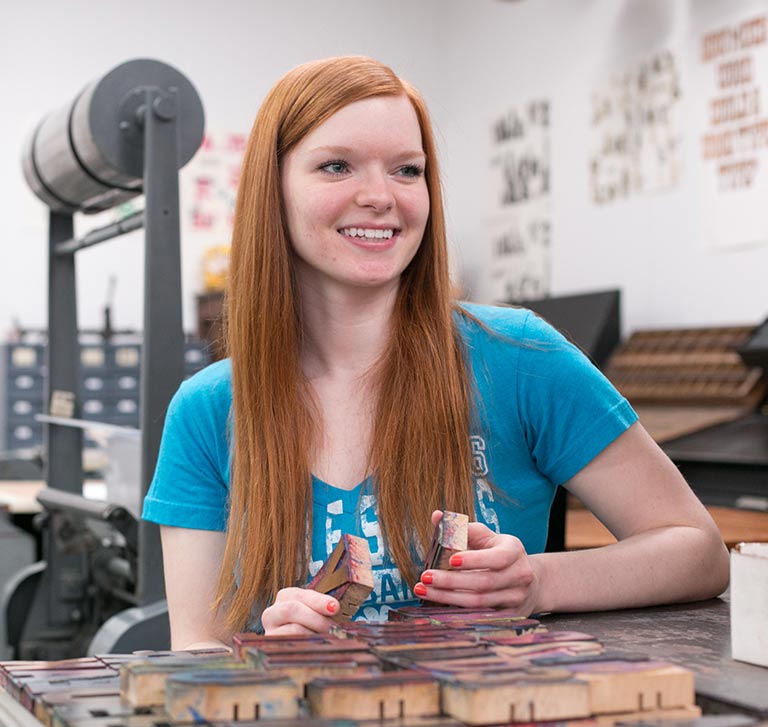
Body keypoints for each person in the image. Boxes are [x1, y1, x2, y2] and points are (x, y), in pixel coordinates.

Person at [142, 55, 729, 650]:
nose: (379, 196)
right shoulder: (207, 410)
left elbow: (697, 549)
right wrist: (265, 653)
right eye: (337, 166)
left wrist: (539, 581)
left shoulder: (519, 358)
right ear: (274, 190)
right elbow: (198, 652)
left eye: (406, 170)